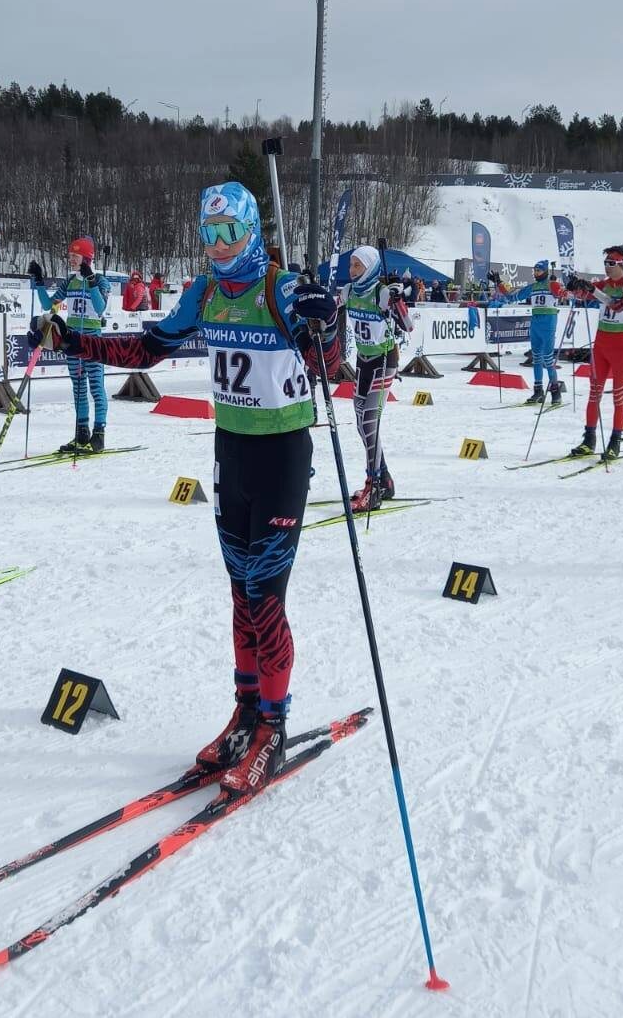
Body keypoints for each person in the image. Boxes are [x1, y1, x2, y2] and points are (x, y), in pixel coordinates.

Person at [29, 182, 340, 796]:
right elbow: (149, 347)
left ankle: (273, 728)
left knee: (266, 597)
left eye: (230, 232)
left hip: (281, 456)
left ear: (251, 228)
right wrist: (72, 340)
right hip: (231, 454)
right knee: (239, 594)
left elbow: (330, 368)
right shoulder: (203, 292)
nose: (220, 246)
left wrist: (327, 322)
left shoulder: (279, 290)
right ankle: (246, 714)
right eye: (209, 234)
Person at [337, 245, 413, 512]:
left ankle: (374, 484)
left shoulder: (380, 293)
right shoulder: (349, 291)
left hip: (384, 359)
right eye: (350, 266)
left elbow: (408, 325)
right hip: (363, 361)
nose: (352, 270)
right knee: (361, 422)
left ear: (369, 266)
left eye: (357, 266)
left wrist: (397, 298)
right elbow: (329, 308)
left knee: (370, 420)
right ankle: (385, 479)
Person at [29, 238, 111, 453]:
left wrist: (91, 280)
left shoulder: (101, 280)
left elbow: (100, 308)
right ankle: (81, 432)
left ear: (87, 258)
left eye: (76, 256)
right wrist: (39, 282)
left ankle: (99, 433)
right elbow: (48, 306)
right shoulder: (69, 281)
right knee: (78, 387)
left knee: (96, 386)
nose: (71, 259)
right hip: (72, 340)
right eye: (70, 255)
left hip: (92, 340)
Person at [565, 246, 623, 460]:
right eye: (605, 263)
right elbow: (580, 295)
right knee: (594, 394)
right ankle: (589, 440)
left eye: (611, 263)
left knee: (618, 397)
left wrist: (591, 290)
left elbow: (617, 305)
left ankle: (615, 442)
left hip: (622, 346)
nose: (607, 267)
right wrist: (575, 286)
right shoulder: (603, 284)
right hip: (601, 344)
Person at [489, 260, 567, 405]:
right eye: (535, 270)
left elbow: (564, 294)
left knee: (548, 359)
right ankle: (538, 392)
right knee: (537, 358)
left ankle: (555, 392)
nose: (536, 273)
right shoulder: (533, 287)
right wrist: (499, 282)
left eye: (539, 270)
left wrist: (564, 289)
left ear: (545, 271)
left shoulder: (551, 284)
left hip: (548, 324)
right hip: (536, 324)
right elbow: (512, 297)